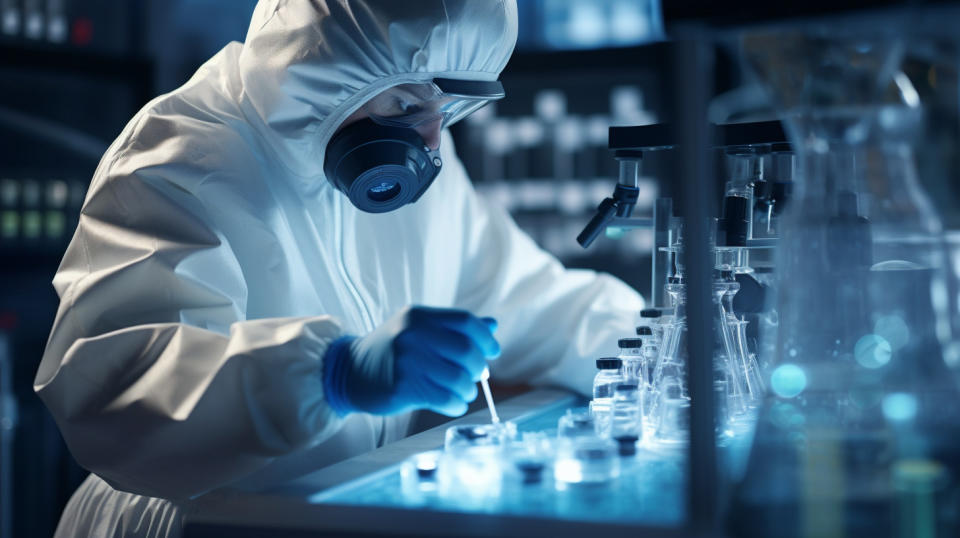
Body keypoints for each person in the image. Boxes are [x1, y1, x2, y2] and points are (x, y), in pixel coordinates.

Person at [34, 1, 643, 537]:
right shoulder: (178, 158)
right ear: (328, 69)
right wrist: (328, 374)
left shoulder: (418, 157)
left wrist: (658, 343)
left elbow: (523, 296)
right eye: (408, 101)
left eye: (451, 104)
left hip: (327, 511)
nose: (431, 140)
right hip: (194, 523)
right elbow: (114, 389)